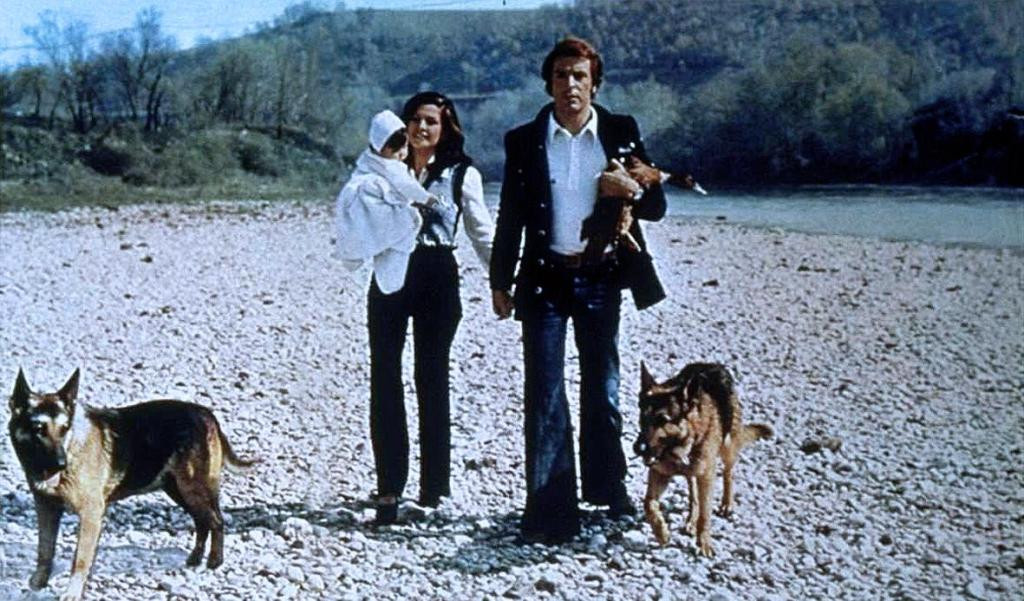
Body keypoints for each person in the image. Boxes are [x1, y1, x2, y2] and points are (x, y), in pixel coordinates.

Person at [490, 37, 668, 544]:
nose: (571, 84)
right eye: (562, 75)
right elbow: (511, 215)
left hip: (601, 275)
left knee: (603, 388)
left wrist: (632, 188)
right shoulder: (524, 140)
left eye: (580, 76)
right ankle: (550, 509)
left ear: (594, 84)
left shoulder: (620, 133)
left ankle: (607, 492)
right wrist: (500, 279)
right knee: (545, 393)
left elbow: (656, 209)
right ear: (549, 83)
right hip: (543, 276)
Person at [364, 92, 493, 525]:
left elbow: (481, 232)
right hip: (391, 271)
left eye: (431, 121)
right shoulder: (384, 168)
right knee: (384, 376)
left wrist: (503, 282)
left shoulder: (462, 174)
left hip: (437, 273)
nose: (422, 128)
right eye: (415, 120)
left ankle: (434, 486)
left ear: (445, 128)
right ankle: (389, 485)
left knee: (431, 378)